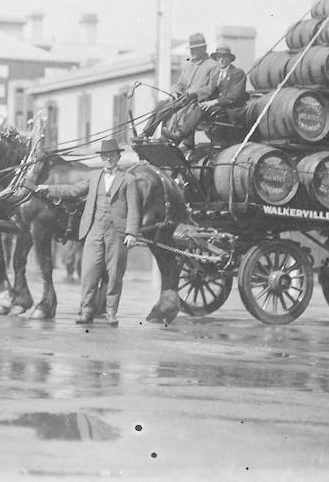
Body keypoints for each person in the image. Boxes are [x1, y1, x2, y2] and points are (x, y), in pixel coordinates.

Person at [36, 138, 139, 326]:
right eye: (106, 155)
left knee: (115, 274)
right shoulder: (94, 176)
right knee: (89, 272)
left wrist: (131, 232)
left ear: (117, 156)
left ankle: (110, 312)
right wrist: (49, 189)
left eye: (112, 155)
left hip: (117, 231)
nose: (109, 158)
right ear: (102, 158)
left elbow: (133, 208)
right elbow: (73, 190)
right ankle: (86, 310)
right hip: (94, 229)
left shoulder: (128, 180)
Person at [141, 32, 218, 141]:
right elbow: (179, 84)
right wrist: (175, 91)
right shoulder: (188, 67)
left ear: (204, 48)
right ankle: (146, 133)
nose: (193, 51)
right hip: (183, 100)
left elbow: (211, 87)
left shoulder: (213, 65)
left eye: (196, 48)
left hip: (198, 101)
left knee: (186, 113)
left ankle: (177, 140)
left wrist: (196, 91)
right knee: (161, 105)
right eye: (191, 49)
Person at [168, 44, 248, 147]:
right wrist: (197, 98)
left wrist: (213, 102)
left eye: (224, 57)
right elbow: (210, 92)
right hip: (219, 108)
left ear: (230, 59)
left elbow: (235, 97)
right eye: (219, 57)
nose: (221, 60)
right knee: (191, 111)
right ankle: (188, 145)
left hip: (232, 109)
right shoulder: (216, 76)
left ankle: (179, 135)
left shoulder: (237, 73)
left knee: (202, 108)